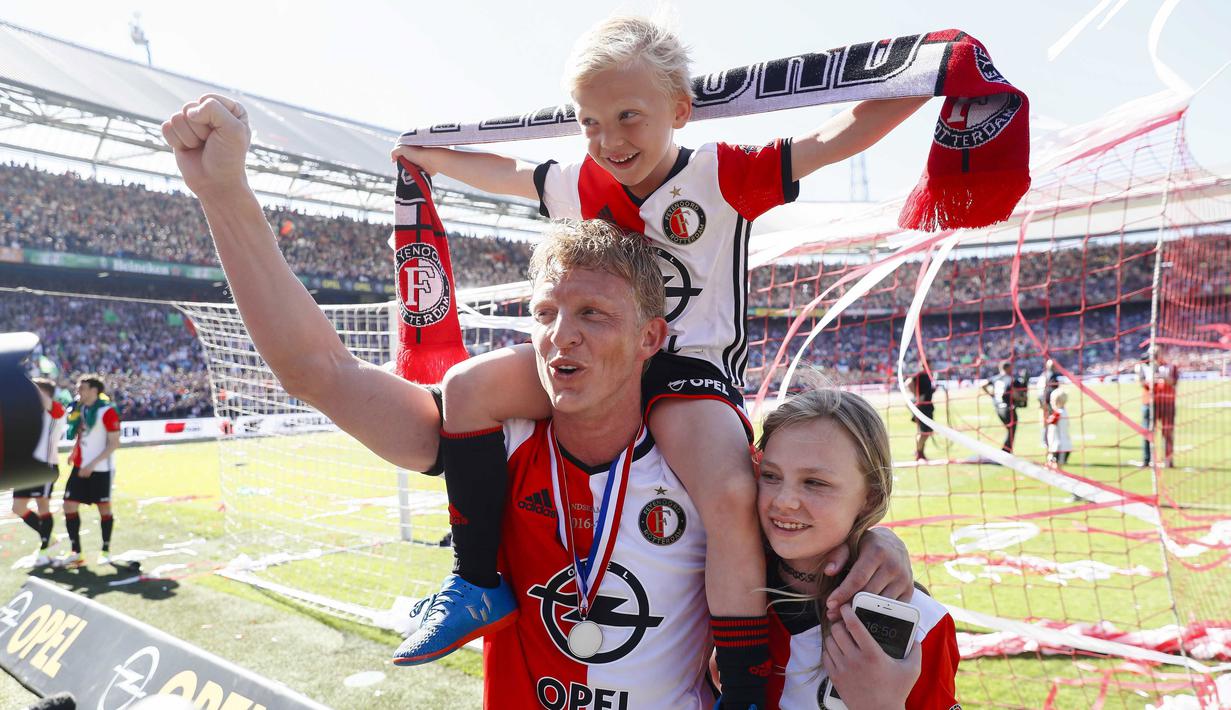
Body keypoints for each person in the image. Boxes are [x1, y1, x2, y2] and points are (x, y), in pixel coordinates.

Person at [160, 100, 917, 706]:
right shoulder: (493, 440)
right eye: (547, 313)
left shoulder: (714, 468)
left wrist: (883, 546)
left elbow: (824, 541)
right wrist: (223, 194)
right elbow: (316, 371)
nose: (563, 337)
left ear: (653, 336)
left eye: (593, 315)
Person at [390, 17, 930, 695]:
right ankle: (474, 582)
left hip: (688, 369)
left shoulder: (721, 173)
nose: (608, 140)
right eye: (589, 122)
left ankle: (740, 682)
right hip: (601, 353)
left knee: (730, 491)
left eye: (628, 117)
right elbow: (503, 172)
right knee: (467, 387)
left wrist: (926, 79)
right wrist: (423, 154)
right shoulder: (576, 181)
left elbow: (832, 139)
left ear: (679, 110)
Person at [754, 387, 960, 709]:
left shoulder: (918, 625)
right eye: (770, 475)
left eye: (815, 482)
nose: (783, 501)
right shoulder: (723, 585)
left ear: (871, 498)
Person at [56, 374, 120, 568]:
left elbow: (114, 443)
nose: (78, 392)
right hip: (80, 466)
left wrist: (92, 464)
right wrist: (75, 452)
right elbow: (82, 434)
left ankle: (105, 550)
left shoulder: (107, 412)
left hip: (100, 469)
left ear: (94, 390)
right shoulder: (82, 409)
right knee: (68, 505)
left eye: (82, 388)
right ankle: (76, 552)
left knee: (104, 509)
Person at [12, 377, 64, 567]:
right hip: (26, 469)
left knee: (43, 506)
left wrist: (18, 374)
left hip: (45, 466)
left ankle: (44, 549)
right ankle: (49, 538)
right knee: (18, 508)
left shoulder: (56, 411)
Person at [1136, 350, 1178, 468]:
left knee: (1167, 433)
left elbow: (1174, 382)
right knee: (1147, 432)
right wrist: (1151, 380)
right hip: (1150, 403)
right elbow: (1141, 382)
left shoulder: (1171, 367)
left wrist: (1164, 377)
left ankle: (1168, 461)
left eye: (1156, 353)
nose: (1154, 356)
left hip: (1167, 403)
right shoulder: (1144, 366)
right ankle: (1146, 460)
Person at [982, 361, 1019, 454]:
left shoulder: (995, 378)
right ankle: (1005, 452)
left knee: (1010, 430)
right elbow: (1014, 394)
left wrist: (991, 395)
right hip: (1008, 408)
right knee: (1012, 429)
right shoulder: (1010, 379)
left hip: (998, 408)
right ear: (1007, 368)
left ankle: (1006, 450)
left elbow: (983, 385)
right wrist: (1022, 398)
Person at [904, 370, 935, 462]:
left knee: (927, 431)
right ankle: (919, 453)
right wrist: (916, 396)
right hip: (922, 408)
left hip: (927, 407)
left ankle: (920, 452)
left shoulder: (928, 375)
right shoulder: (921, 375)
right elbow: (908, 382)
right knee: (923, 431)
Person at [1036, 359, 1060, 448]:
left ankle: (1045, 441)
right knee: (1049, 422)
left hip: (1044, 402)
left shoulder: (1044, 375)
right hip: (1047, 402)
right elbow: (1048, 390)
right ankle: (1046, 441)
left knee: (1046, 422)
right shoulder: (1051, 376)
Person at [1045, 388, 1071, 466]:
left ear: (1058, 401)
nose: (1051, 402)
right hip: (1060, 446)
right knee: (1053, 467)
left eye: (1052, 400)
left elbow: (1050, 421)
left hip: (1059, 447)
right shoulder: (1064, 412)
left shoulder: (1058, 414)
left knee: (1055, 468)